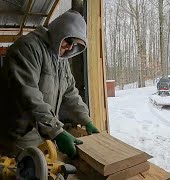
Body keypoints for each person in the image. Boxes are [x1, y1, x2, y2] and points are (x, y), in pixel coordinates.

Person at [0, 10, 99, 158]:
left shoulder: (61, 59)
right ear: (59, 31)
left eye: (75, 44)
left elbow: (70, 93)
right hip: (18, 136)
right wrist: (56, 131)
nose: (70, 48)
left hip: (43, 133)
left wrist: (86, 120)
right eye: (69, 41)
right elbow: (28, 95)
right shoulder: (27, 48)